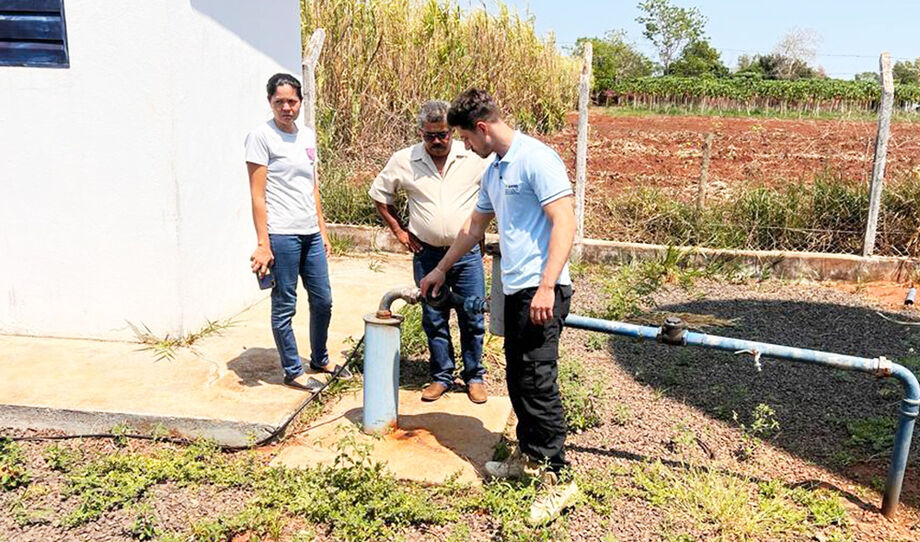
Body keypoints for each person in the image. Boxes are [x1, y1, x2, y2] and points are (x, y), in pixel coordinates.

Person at [419, 89, 578, 525]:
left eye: (467, 138)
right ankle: (528, 458)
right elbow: (474, 227)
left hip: (541, 291)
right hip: (514, 290)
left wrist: (547, 286)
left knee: (539, 382)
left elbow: (564, 220)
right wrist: (440, 270)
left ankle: (559, 478)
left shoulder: (536, 159)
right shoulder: (494, 171)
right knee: (517, 377)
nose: (465, 146)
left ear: (483, 129)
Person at [369, 100, 491, 404]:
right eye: (429, 136)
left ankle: (474, 377)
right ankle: (441, 376)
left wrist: (482, 231)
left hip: (466, 257)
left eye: (443, 135)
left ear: (452, 132)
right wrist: (399, 231)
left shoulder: (474, 157)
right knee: (434, 317)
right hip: (428, 255)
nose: (436, 141)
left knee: (472, 315)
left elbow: (493, 193)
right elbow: (380, 196)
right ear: (421, 133)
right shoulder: (404, 160)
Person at [245, 73, 351, 389]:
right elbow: (257, 194)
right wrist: (263, 243)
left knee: (323, 300)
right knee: (285, 304)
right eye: (280, 102)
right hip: (282, 234)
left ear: (300, 102)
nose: (286, 108)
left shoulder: (306, 136)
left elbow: (311, 186)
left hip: (310, 234)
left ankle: (320, 357)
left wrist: (323, 229)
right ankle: (293, 369)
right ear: (270, 102)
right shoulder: (261, 137)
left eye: (292, 101)